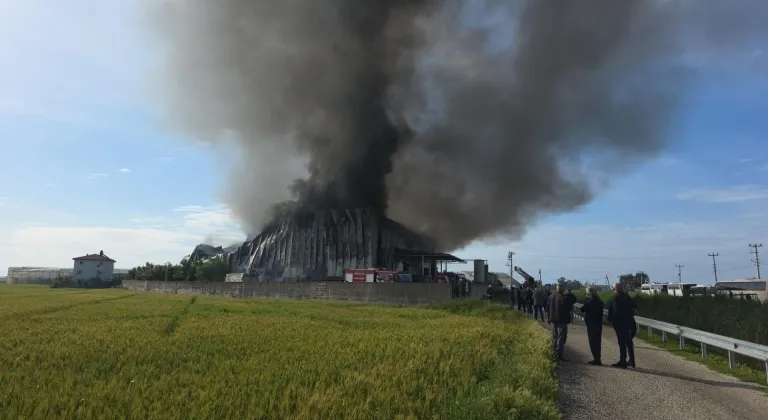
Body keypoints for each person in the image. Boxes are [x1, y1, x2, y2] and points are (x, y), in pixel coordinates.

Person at [608, 282, 637, 368]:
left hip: (620, 323)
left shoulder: (616, 297)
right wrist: (629, 316)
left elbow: (615, 311)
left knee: (622, 342)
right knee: (628, 342)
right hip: (628, 322)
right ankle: (631, 360)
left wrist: (613, 320)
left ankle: (622, 361)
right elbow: (635, 307)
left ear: (615, 289)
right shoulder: (627, 296)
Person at [547, 283, 571, 362]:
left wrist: (548, 318)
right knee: (561, 338)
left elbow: (547, 308)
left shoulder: (551, 297)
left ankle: (553, 353)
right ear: (563, 289)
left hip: (553, 320)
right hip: (562, 320)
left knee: (554, 336)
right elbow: (568, 308)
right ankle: (559, 355)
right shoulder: (564, 297)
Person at [580, 287, 604, 365]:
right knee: (598, 341)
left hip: (591, 324)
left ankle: (596, 359)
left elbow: (582, 309)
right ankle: (598, 358)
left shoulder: (588, 302)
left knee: (592, 342)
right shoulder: (600, 302)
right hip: (598, 323)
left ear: (588, 293)